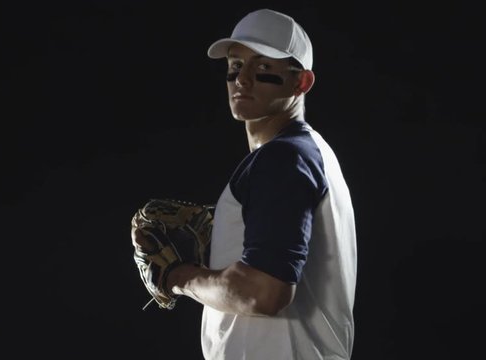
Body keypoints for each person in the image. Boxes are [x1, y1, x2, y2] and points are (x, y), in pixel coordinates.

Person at [135, 8, 357, 360]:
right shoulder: (309, 152)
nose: (243, 79)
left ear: (301, 82)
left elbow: (263, 292)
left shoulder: (283, 159)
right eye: (236, 66)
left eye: (264, 68)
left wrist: (180, 276)